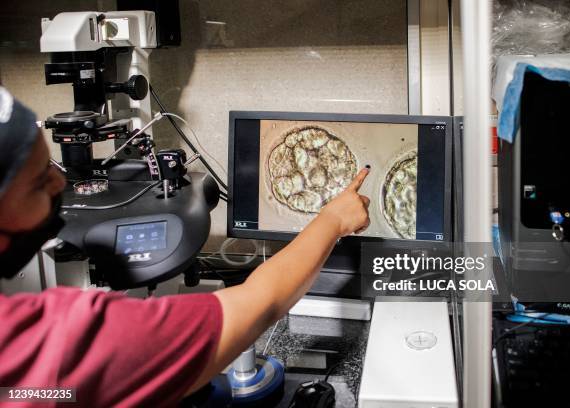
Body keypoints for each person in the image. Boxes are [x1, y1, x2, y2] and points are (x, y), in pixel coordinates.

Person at [0, 87, 370, 406]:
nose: (57, 184)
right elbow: (260, 302)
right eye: (37, 181)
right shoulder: (61, 343)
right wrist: (333, 221)